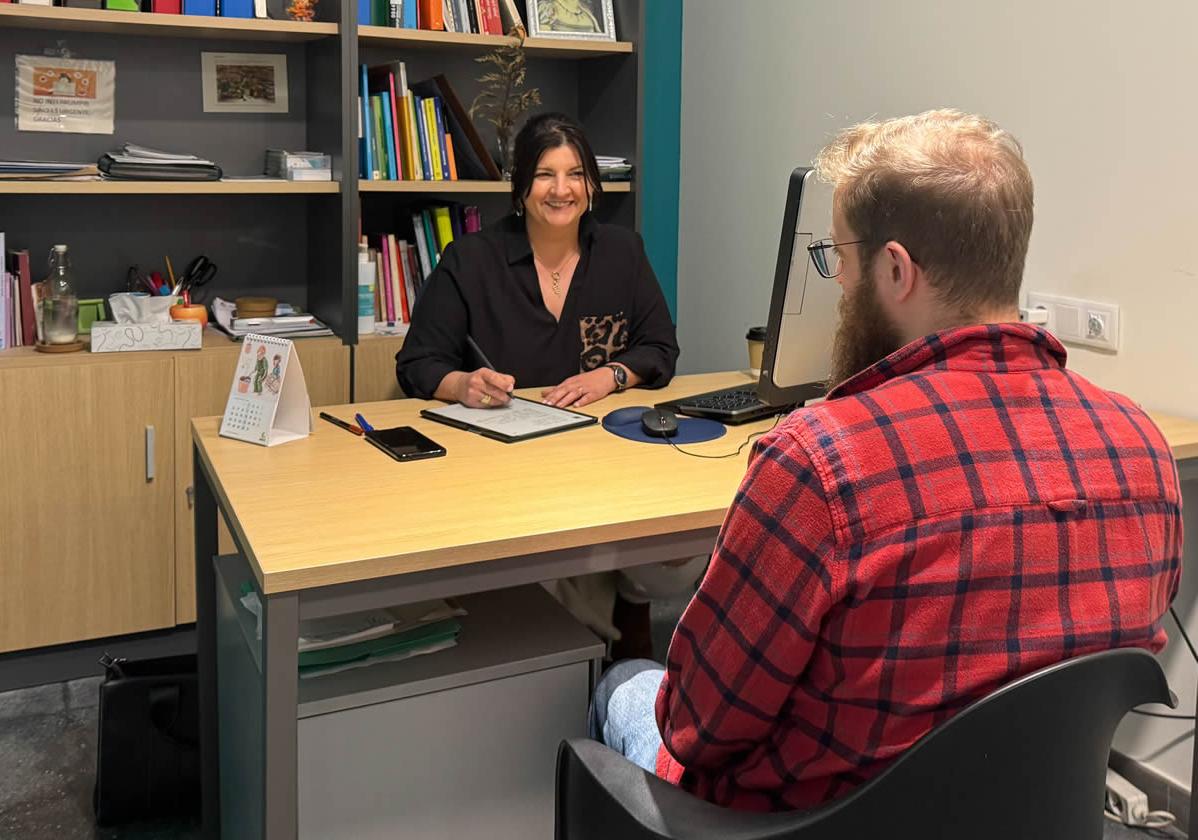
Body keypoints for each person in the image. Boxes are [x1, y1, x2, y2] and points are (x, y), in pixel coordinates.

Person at [590, 109, 1183, 811]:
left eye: (837, 259)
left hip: (802, 824)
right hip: (1024, 815)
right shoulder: (1141, 447)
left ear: (896, 269)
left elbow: (694, 725)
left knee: (625, 683)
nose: (839, 285)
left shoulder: (819, 464)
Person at [396, 112, 696, 658]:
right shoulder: (472, 260)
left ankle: (626, 616)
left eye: (575, 174)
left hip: (607, 461)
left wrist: (612, 375)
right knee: (547, 590)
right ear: (520, 187)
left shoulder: (623, 252)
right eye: (545, 175)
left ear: (591, 185)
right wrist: (462, 383)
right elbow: (417, 362)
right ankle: (589, 655)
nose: (562, 190)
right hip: (509, 473)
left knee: (684, 546)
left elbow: (660, 349)